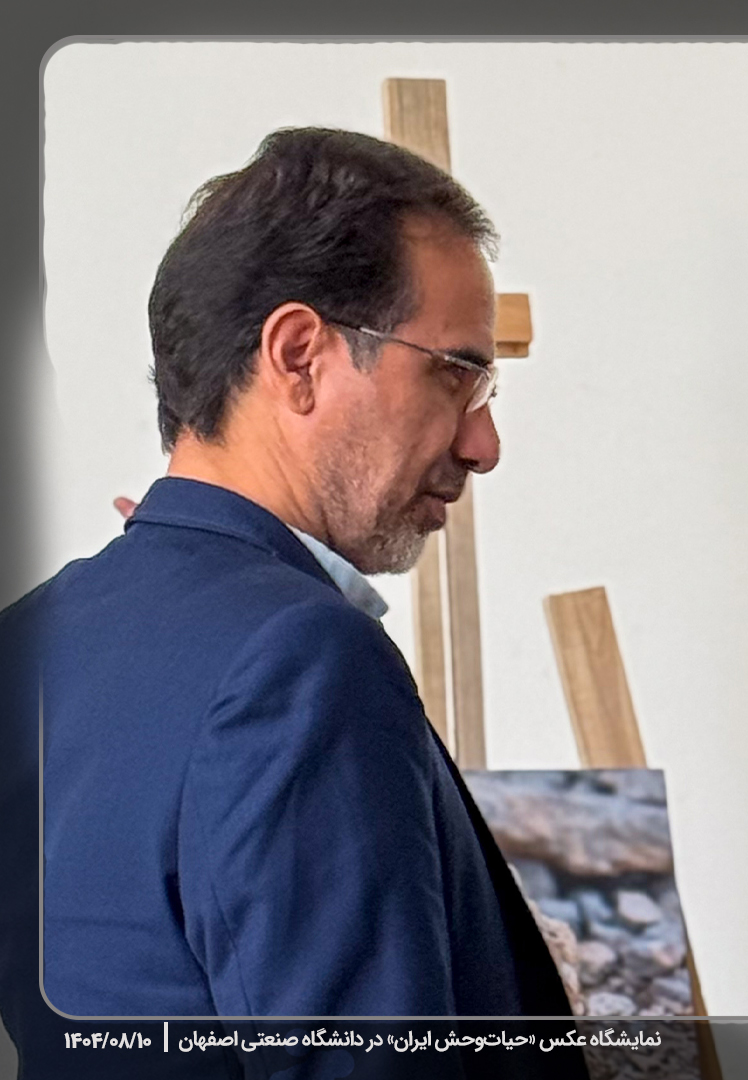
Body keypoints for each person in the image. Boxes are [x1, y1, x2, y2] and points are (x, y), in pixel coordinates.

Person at [0, 129, 582, 1058]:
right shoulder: (302, 660)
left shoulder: (35, 635)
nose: (484, 445)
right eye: (456, 374)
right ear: (301, 355)